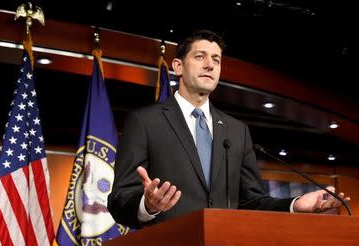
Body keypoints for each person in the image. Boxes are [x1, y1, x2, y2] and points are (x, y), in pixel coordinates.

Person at [107, 29, 350, 229]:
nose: (210, 65)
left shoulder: (237, 131)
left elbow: (252, 201)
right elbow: (119, 199)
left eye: (216, 60)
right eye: (200, 57)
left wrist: (295, 205)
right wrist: (147, 205)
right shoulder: (144, 122)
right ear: (178, 66)